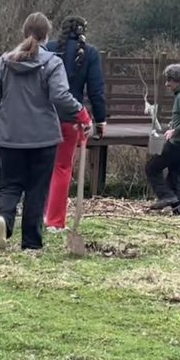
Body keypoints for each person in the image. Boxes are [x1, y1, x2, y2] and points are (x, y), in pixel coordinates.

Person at [0, 13, 92, 251]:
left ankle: (3, 219)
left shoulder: (4, 62)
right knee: (37, 190)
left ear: (24, 32)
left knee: (10, 185)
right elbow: (60, 96)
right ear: (47, 35)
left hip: (10, 135)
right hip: (43, 137)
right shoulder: (52, 63)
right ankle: (31, 243)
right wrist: (82, 114)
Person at [44, 15, 107, 232]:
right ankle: (54, 221)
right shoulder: (90, 53)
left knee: (41, 167)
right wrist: (100, 120)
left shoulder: (48, 49)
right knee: (62, 169)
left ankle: (38, 213)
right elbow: (97, 91)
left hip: (43, 116)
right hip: (71, 118)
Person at [145, 64, 180, 216]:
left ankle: (166, 196)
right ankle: (179, 211)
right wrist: (175, 123)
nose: (166, 84)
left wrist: (175, 130)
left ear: (177, 80)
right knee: (175, 176)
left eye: (169, 80)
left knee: (152, 168)